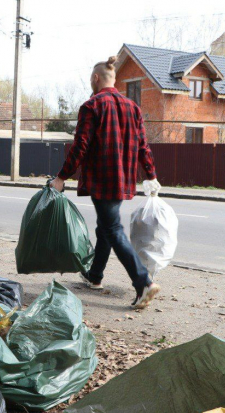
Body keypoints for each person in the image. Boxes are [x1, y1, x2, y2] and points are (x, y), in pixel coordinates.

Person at [50, 56, 162, 309]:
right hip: (123, 180)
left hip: (102, 179)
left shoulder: (92, 106)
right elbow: (143, 146)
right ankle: (95, 276)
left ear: (96, 78)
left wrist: (61, 177)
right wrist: (151, 175)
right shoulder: (133, 107)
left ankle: (143, 281)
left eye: (92, 77)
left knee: (112, 229)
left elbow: (81, 146)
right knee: (106, 227)